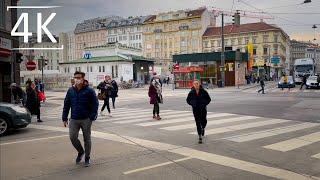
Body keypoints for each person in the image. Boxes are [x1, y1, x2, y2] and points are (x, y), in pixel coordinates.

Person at [62, 71, 99, 167]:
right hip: (74, 118)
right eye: (75, 77)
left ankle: (87, 157)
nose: (76, 79)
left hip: (86, 119)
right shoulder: (70, 90)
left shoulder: (89, 90)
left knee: (87, 139)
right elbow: (66, 104)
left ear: (83, 79)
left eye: (78, 77)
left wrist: (92, 116)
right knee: (72, 137)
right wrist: (64, 117)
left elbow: (95, 104)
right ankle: (81, 151)